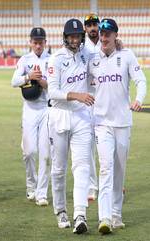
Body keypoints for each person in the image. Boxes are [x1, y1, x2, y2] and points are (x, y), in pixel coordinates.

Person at [88, 18, 147, 234]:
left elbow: (140, 81)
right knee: (105, 168)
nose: (103, 37)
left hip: (122, 123)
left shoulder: (127, 55)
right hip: (101, 123)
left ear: (115, 36)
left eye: (108, 34)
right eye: (102, 34)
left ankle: (116, 214)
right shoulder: (92, 59)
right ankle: (104, 218)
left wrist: (139, 99)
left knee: (119, 171)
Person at [47, 19, 94, 234]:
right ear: (65, 37)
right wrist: (77, 95)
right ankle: (60, 210)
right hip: (60, 115)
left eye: (78, 36)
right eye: (71, 36)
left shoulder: (87, 53)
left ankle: (80, 214)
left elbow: (103, 55)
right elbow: (52, 92)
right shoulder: (55, 60)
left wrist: (118, 44)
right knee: (59, 168)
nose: (75, 40)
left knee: (82, 166)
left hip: (81, 116)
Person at [11, 27, 51, 206]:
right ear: (30, 43)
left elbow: (55, 86)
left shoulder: (52, 60)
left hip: (46, 109)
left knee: (45, 153)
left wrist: (42, 82)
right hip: (29, 109)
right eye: (35, 42)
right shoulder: (24, 60)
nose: (38, 45)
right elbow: (14, 82)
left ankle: (42, 193)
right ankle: (31, 185)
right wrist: (28, 76)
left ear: (45, 42)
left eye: (41, 42)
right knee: (29, 152)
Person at [83, 13, 100, 201]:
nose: (93, 28)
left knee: (106, 147)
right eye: (89, 25)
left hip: (105, 101)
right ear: (85, 29)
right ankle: (92, 186)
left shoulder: (107, 44)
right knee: (88, 147)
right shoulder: (82, 48)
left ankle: (113, 184)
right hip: (88, 101)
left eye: (95, 24)